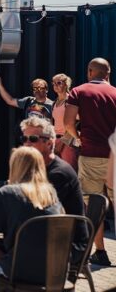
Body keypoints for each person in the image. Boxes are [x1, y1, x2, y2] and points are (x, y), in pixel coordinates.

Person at [0, 147, 63, 292]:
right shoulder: (51, 193)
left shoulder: (7, 192)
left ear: (15, 166)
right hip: (56, 269)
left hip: (22, 271)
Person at [64, 57, 116, 266]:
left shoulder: (79, 91)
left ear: (89, 71)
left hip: (91, 154)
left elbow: (68, 122)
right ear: (108, 74)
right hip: (114, 156)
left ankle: (100, 252)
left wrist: (77, 137)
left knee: (94, 205)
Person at [19, 117, 87, 268]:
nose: (27, 143)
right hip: (44, 236)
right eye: (24, 138)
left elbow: (38, 212)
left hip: (67, 246)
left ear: (49, 143)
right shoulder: (34, 168)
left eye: (33, 139)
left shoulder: (58, 173)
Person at [50, 73, 79, 171]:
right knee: (57, 169)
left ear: (66, 84)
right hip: (56, 140)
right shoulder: (55, 102)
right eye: (54, 83)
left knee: (70, 169)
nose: (55, 85)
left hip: (68, 141)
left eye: (59, 83)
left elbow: (80, 118)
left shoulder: (71, 100)